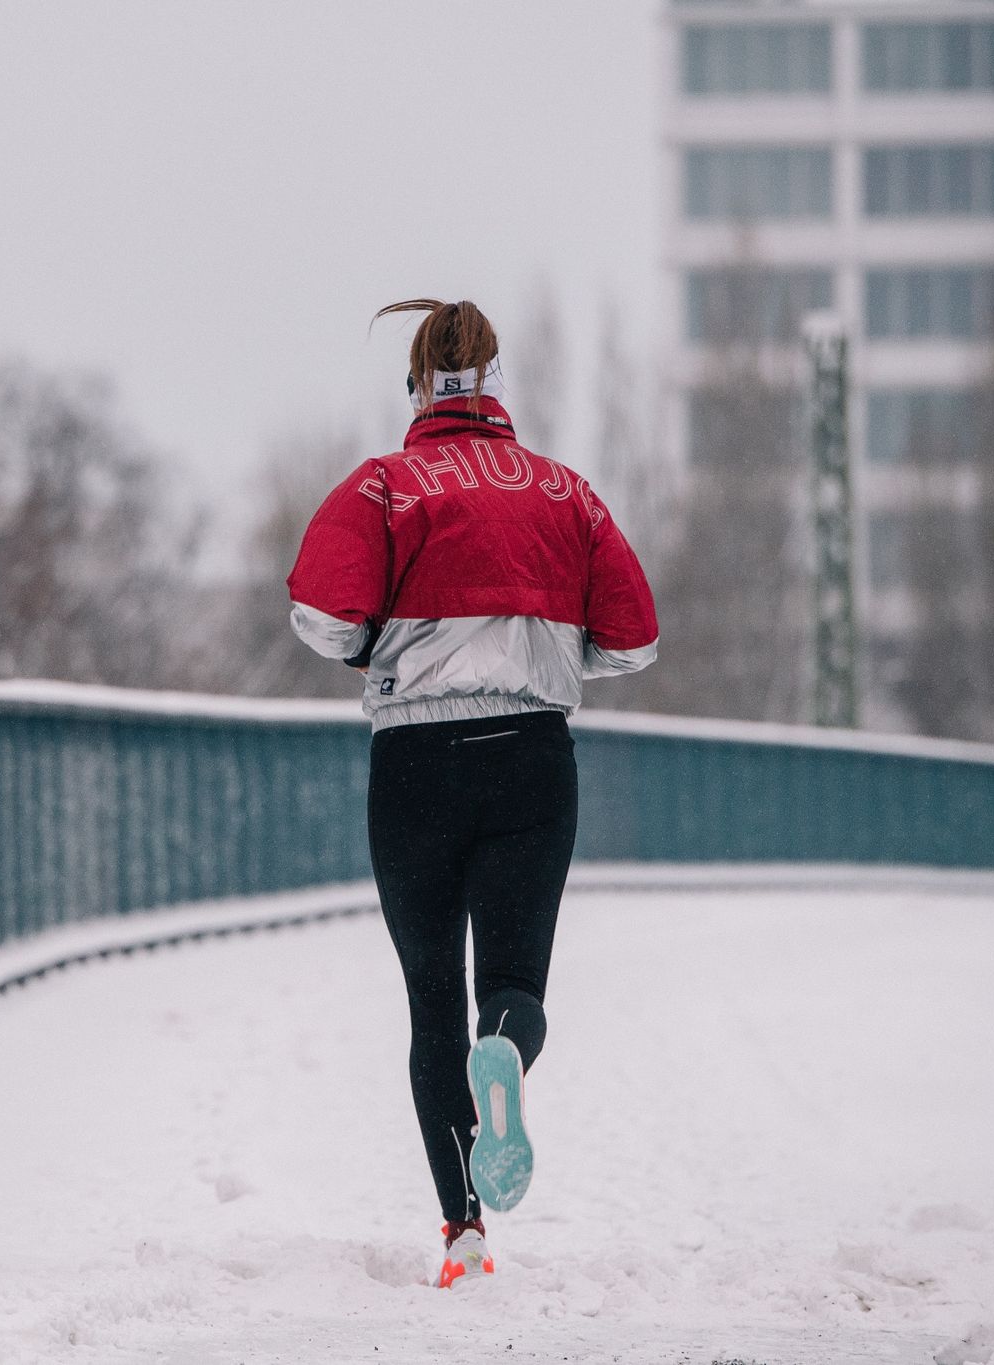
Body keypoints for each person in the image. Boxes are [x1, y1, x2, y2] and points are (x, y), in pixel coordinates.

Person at [285, 298, 659, 1288]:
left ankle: (463, 1234)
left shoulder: (382, 486)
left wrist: (380, 647)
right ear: (496, 380)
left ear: (418, 385)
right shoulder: (566, 494)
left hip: (413, 764)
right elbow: (634, 640)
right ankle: (505, 1050)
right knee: (512, 987)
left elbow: (320, 614)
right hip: (529, 757)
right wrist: (550, 650)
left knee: (429, 1005)